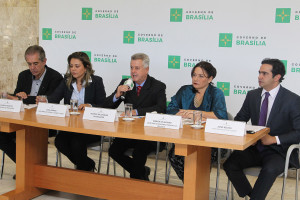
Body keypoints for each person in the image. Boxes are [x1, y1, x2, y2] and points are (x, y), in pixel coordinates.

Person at [223, 59, 300, 200]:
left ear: (277, 77)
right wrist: (246, 136)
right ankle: (254, 196)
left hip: (279, 151)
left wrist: (273, 139)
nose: (260, 76)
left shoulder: (293, 100)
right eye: (259, 73)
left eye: (264, 73)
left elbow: (298, 132)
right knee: (230, 164)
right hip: (254, 148)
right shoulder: (252, 95)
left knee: (269, 170)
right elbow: (240, 120)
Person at [0, 45, 62, 176]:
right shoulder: (23, 75)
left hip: (44, 122)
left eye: (35, 63)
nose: (32, 68)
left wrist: (23, 98)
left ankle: (27, 169)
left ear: (44, 61)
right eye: (29, 64)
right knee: (1, 135)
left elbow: (49, 101)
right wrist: (19, 95)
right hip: (22, 120)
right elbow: (18, 99)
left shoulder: (55, 77)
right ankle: (24, 165)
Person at [104, 53, 166, 180]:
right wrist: (117, 94)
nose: (133, 71)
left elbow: (161, 109)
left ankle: (137, 182)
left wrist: (136, 112)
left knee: (139, 153)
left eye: (137, 68)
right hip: (129, 132)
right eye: (131, 68)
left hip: (149, 134)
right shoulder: (126, 83)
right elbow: (108, 106)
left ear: (146, 69)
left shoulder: (158, 86)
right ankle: (141, 172)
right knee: (113, 151)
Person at [45, 52, 106, 171]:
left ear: (86, 67)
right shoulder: (67, 80)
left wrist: (90, 105)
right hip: (71, 126)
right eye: (71, 66)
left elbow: (103, 104)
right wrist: (44, 99)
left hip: (90, 127)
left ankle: (83, 170)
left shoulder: (96, 81)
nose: (73, 69)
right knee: (60, 142)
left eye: (77, 66)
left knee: (77, 143)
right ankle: (87, 165)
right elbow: (54, 98)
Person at [167, 61, 228, 181]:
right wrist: (186, 114)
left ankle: (194, 188)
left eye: (201, 76)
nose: (196, 78)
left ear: (210, 78)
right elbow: (170, 109)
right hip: (187, 137)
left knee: (198, 158)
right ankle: (191, 186)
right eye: (194, 75)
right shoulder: (185, 90)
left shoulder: (216, 93)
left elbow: (221, 116)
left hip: (211, 142)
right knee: (174, 155)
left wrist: (197, 114)